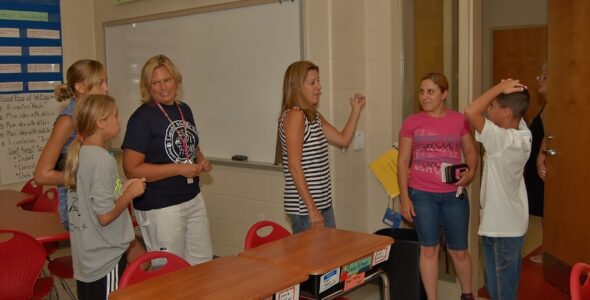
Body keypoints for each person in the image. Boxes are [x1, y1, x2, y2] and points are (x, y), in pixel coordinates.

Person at [122, 54, 213, 265]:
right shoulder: (142, 117)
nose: (163, 87)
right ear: (148, 87)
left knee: (202, 265)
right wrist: (179, 169)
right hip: (160, 206)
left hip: (192, 198)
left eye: (167, 80)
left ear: (176, 80)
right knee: (171, 273)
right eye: (156, 82)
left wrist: (200, 160)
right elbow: (131, 169)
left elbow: (190, 144)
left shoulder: (184, 109)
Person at [397, 72, 478, 300]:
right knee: (429, 248)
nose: (424, 96)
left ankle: (467, 294)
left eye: (430, 91)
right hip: (422, 194)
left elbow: (471, 153)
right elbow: (403, 161)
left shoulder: (459, 120)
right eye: (421, 91)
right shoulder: (412, 122)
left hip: (454, 195)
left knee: (458, 251)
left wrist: (470, 174)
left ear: (444, 94)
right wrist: (405, 198)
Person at [63, 94, 146, 300]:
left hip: (87, 258)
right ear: (101, 122)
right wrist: (129, 194)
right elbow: (105, 216)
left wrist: (121, 189)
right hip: (105, 259)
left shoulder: (81, 153)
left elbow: (93, 198)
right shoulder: (102, 160)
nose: (119, 119)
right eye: (115, 115)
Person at [278, 60, 366, 234]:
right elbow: (294, 166)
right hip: (305, 210)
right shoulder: (295, 115)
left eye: (318, 81)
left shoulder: (313, 116)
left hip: (323, 204)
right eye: (312, 83)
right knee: (315, 260)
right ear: (297, 87)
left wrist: (355, 110)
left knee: (330, 258)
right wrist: (312, 209)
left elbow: (343, 139)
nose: (319, 87)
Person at [464, 79, 531, 300]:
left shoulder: (502, 140)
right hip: (502, 225)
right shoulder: (523, 133)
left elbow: (471, 111)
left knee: (502, 292)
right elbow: (520, 104)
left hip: (502, 231)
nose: (488, 109)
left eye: (492, 106)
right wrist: (509, 87)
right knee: (497, 290)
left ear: (506, 112)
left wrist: (498, 89)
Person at [34, 59, 108, 229]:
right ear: (80, 87)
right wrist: (81, 179)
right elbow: (41, 175)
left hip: (97, 203)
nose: (106, 88)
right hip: (77, 209)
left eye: (106, 81)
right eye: (100, 83)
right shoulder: (67, 121)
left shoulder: (93, 117)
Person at [524, 63, 548, 264]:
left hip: (545, 170)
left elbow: (550, 135)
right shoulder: (547, 106)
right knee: (544, 214)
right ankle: (549, 251)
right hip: (537, 171)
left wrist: (541, 154)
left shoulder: (557, 106)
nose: (538, 79)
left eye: (545, 77)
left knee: (549, 213)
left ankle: (551, 253)